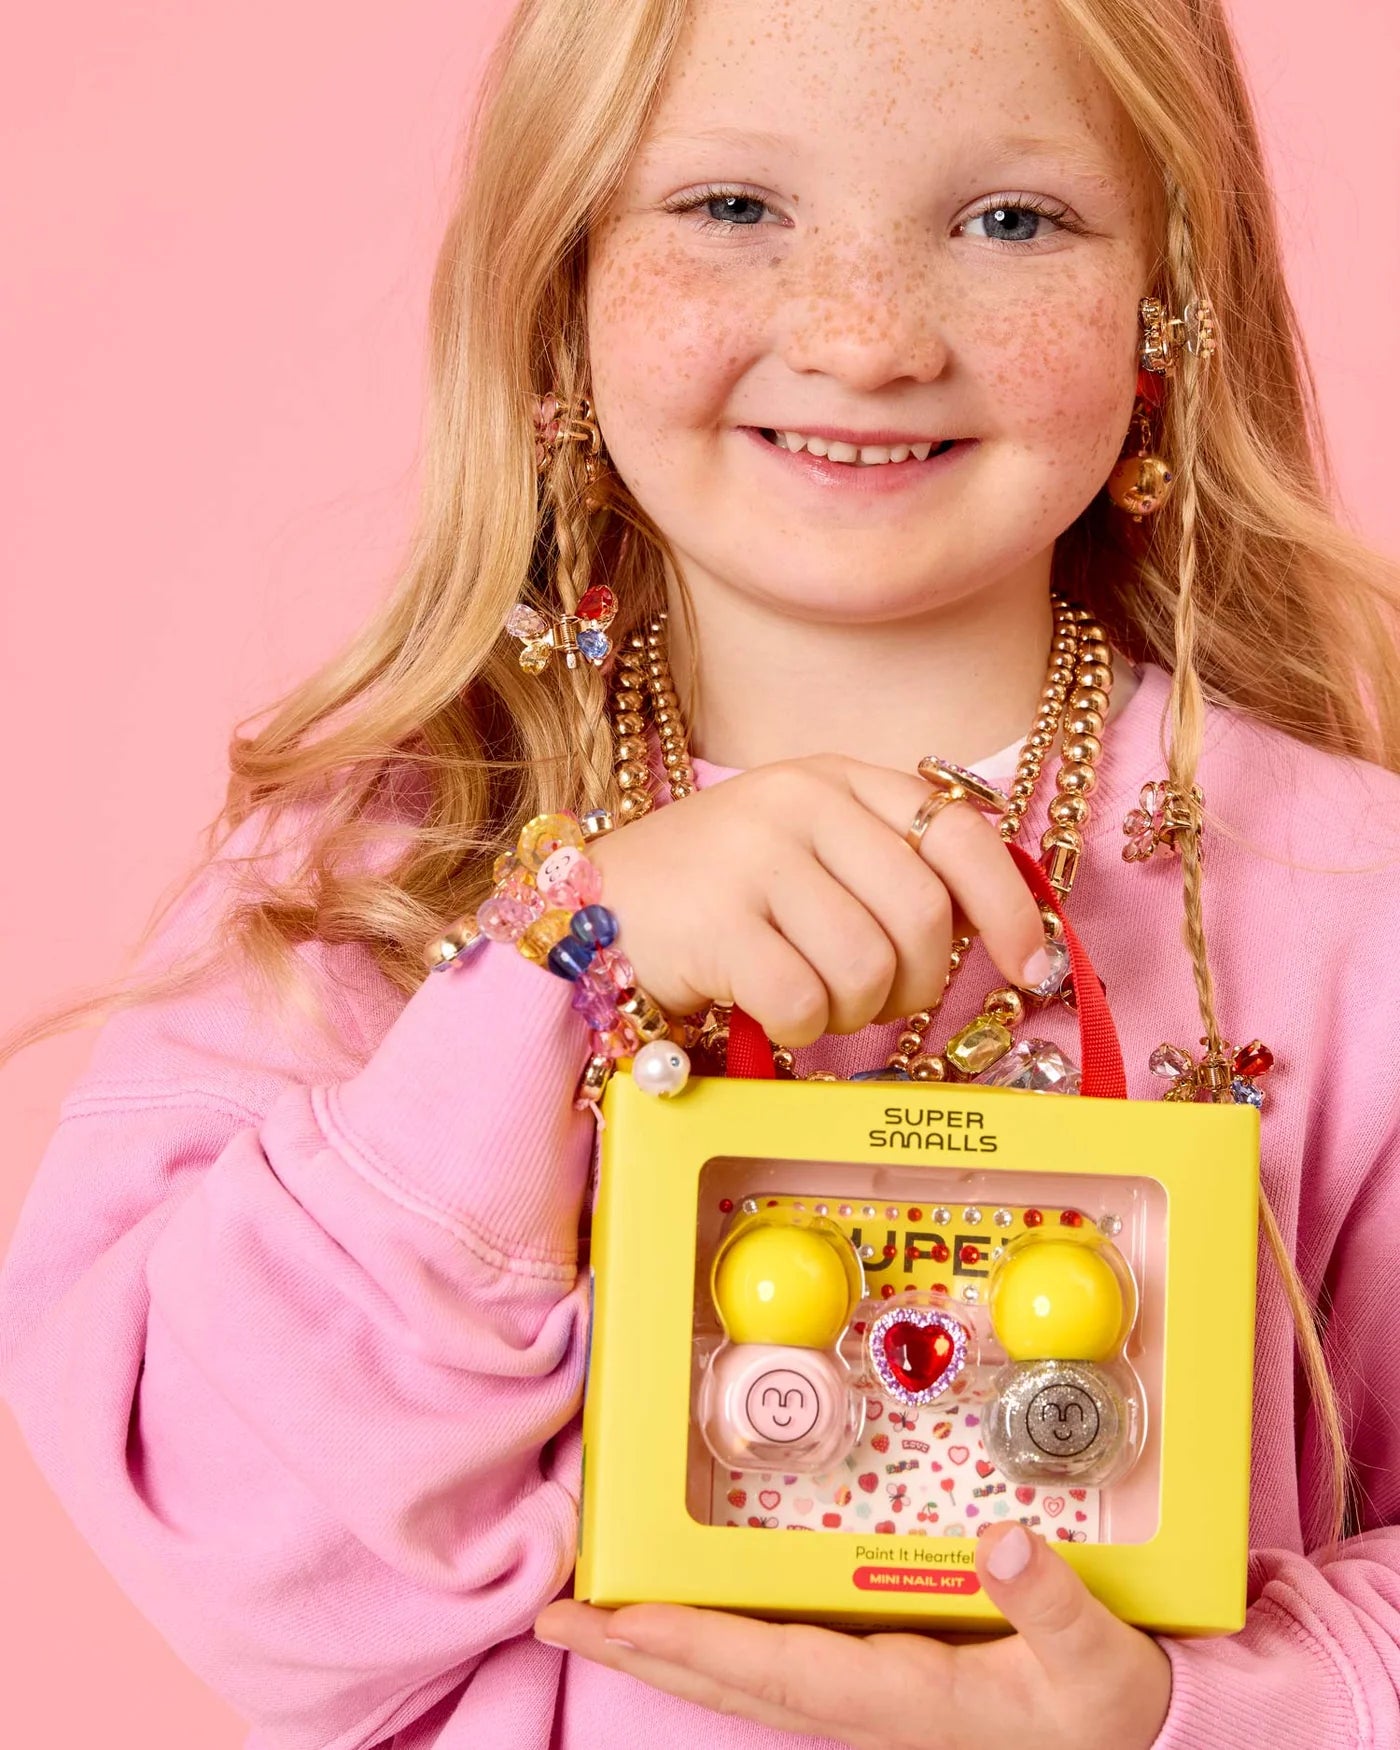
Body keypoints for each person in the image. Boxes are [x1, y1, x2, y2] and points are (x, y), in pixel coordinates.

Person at [3, 0, 1400, 1744]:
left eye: (1010, 220)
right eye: (733, 207)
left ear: (1166, 309)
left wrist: (1205, 1710)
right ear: (562, 283)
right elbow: (223, 1537)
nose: (865, 336)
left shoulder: (1348, 902)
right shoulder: (371, 869)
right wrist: (555, 963)